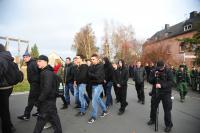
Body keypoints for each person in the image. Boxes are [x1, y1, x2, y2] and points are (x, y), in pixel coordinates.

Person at [33, 55, 62, 133]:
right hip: (50, 99)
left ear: (45, 62)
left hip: (47, 100)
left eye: (39, 61)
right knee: (53, 116)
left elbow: (47, 88)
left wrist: (39, 100)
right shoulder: (45, 71)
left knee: (41, 118)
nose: (37, 63)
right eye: (37, 61)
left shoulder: (47, 73)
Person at [147, 60, 173, 133]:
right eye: (158, 67)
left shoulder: (168, 71)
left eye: (161, 67)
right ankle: (152, 119)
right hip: (156, 92)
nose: (159, 69)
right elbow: (149, 80)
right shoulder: (154, 71)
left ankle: (168, 125)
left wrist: (162, 85)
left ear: (164, 65)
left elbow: (171, 82)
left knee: (167, 109)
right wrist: (154, 77)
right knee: (153, 106)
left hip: (166, 93)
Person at [18, 50, 40, 121]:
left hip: (35, 85)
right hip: (34, 84)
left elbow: (38, 74)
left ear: (30, 57)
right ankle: (40, 112)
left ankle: (26, 115)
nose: (25, 58)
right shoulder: (30, 63)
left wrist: (35, 82)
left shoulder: (32, 63)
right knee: (36, 100)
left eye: (26, 57)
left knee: (31, 100)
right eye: (24, 57)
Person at [87, 54, 108, 124]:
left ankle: (93, 117)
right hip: (93, 85)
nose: (92, 61)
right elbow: (91, 75)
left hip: (98, 86)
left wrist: (90, 74)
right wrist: (91, 74)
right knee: (98, 99)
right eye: (91, 59)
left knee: (94, 101)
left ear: (97, 59)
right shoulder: (92, 66)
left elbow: (96, 76)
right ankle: (105, 110)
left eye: (93, 59)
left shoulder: (100, 66)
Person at [0, 44, 16, 133]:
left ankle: (7, 129)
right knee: (4, 108)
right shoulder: (9, 58)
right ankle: (9, 125)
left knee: (4, 110)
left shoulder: (1, 59)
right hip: (9, 86)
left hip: (2, 88)